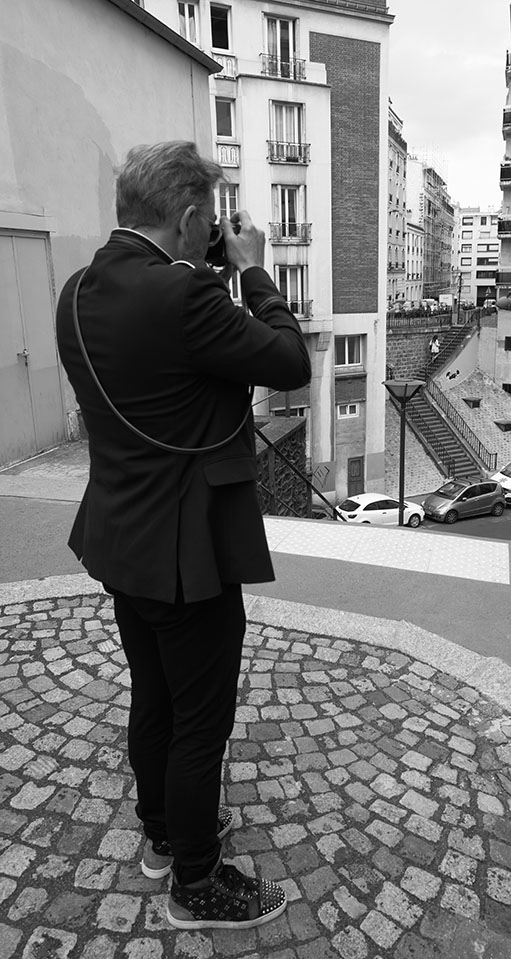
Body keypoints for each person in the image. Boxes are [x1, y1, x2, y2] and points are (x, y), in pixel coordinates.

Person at [55, 141, 311, 930]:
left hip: (119, 538)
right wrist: (255, 269)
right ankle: (197, 883)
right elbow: (289, 359)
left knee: (156, 697)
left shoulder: (76, 293)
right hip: (187, 550)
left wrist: (207, 275)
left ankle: (164, 835)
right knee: (201, 719)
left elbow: (169, 365)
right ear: (195, 217)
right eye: (207, 225)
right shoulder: (188, 299)